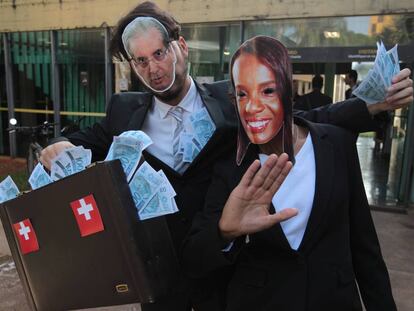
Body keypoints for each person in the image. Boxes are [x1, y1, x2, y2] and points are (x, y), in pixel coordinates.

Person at [39, 2, 413, 311]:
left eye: (159, 52)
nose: (153, 68)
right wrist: (58, 145)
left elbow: (298, 118)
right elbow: (87, 139)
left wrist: (369, 105)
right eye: (140, 61)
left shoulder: (231, 99)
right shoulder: (123, 111)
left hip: (225, 267)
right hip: (164, 274)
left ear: (180, 47)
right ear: (132, 67)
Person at [181, 36, 397, 311]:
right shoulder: (230, 167)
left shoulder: (336, 144)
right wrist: (224, 231)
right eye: (242, 94)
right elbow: (193, 259)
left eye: (268, 90)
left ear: (288, 90)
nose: (253, 106)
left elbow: (365, 249)